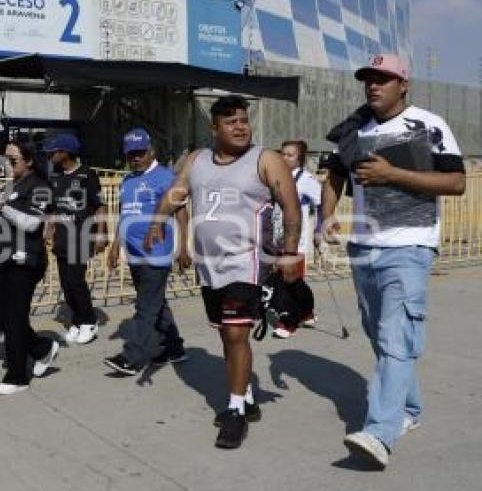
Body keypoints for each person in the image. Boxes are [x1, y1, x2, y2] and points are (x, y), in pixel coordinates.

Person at [322, 54, 465, 468]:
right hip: (364, 246)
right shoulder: (353, 129)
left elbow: (455, 182)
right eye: (369, 79)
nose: (373, 85)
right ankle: (409, 410)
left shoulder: (429, 124)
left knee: (396, 337)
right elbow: (334, 174)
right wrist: (326, 213)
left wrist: (393, 175)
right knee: (380, 337)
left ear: (404, 84)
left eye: (383, 79)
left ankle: (380, 433)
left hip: (410, 244)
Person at [147, 96, 302, 449]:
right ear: (214, 127)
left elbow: (291, 208)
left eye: (244, 120)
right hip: (209, 265)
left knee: (235, 335)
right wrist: (158, 220)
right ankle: (245, 396)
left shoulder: (265, 160)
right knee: (225, 334)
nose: (241, 126)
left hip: (247, 263)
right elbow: (176, 193)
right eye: (231, 122)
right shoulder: (196, 160)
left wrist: (290, 254)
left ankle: (233, 412)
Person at [103, 129, 190, 376]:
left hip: (157, 254)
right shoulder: (127, 181)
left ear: (151, 150)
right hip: (134, 255)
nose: (136, 158)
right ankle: (174, 348)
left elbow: (182, 214)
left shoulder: (166, 178)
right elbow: (125, 215)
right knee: (156, 303)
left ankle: (131, 357)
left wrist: (184, 247)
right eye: (131, 154)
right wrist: (115, 245)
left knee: (145, 307)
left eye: (140, 153)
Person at [0, 139, 59, 396]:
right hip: (3, 259)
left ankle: (17, 376)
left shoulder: (40, 187)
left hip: (26, 260)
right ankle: (41, 348)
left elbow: (32, 224)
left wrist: (2, 208)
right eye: (4, 159)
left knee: (14, 317)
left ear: (29, 161)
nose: (7, 164)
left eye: (12, 159)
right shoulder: (9, 186)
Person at [44, 133, 107, 345]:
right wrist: (49, 229)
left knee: (75, 281)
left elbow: (99, 206)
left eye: (54, 151)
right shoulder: (56, 177)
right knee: (66, 284)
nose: (50, 155)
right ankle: (78, 321)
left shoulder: (87, 175)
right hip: (62, 237)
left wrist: (100, 233)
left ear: (66, 152)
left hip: (81, 236)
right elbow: (54, 208)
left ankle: (89, 321)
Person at [272, 140, 321, 338]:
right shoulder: (276, 177)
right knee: (293, 281)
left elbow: (321, 203)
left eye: (289, 155)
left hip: (296, 240)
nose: (284, 158)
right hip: (277, 236)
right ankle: (307, 312)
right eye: (282, 154)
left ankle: (288, 321)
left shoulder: (306, 180)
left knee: (289, 280)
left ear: (299, 158)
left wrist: (319, 230)